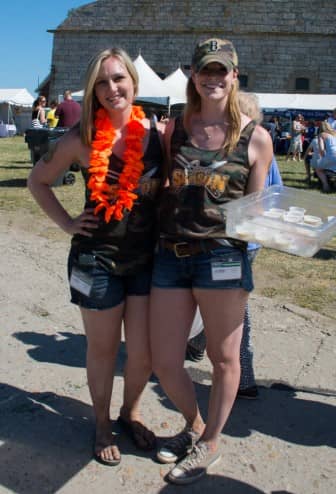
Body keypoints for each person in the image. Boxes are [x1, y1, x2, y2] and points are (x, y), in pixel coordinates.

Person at [28, 47, 165, 466]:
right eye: (102, 82)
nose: (111, 88)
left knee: (142, 353)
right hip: (97, 261)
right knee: (103, 350)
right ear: (92, 89)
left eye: (118, 78)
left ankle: (131, 412)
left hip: (145, 260)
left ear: (133, 83)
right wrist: (69, 223)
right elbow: (38, 181)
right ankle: (103, 422)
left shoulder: (158, 134)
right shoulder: (80, 139)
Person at [149, 38, 273, 484]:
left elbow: (257, 211)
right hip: (171, 255)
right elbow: (160, 184)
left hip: (222, 258)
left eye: (223, 71)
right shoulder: (173, 129)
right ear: (194, 76)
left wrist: (289, 229)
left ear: (235, 77)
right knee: (163, 359)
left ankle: (211, 441)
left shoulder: (256, 138)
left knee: (224, 358)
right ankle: (194, 424)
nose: (214, 78)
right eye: (207, 70)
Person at [186, 91, 283, 400]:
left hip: (235, 243)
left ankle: (244, 377)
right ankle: (199, 344)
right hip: (240, 241)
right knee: (214, 298)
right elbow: (277, 191)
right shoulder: (255, 145)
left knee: (234, 312)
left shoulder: (250, 147)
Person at [315, 121, 336, 192]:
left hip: (331, 155)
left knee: (318, 169)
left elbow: (321, 149)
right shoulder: (335, 133)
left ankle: (325, 185)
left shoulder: (321, 135)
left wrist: (323, 158)